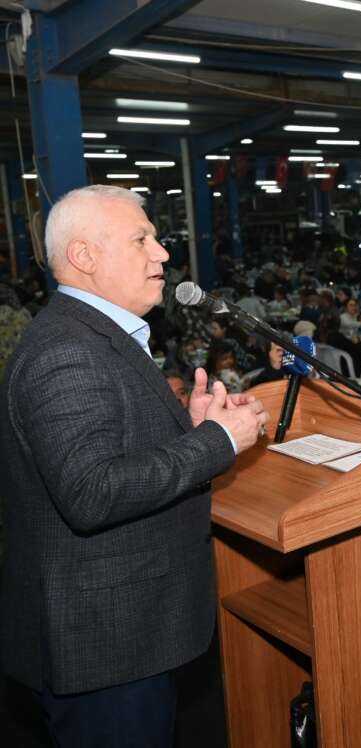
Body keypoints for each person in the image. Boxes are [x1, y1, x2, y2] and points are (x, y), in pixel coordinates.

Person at [0, 185, 268, 744]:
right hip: (103, 646)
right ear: (84, 256)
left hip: (128, 631)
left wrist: (191, 429)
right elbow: (92, 491)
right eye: (141, 239)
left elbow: (113, 453)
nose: (163, 253)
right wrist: (216, 441)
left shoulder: (96, 336)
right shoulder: (67, 351)